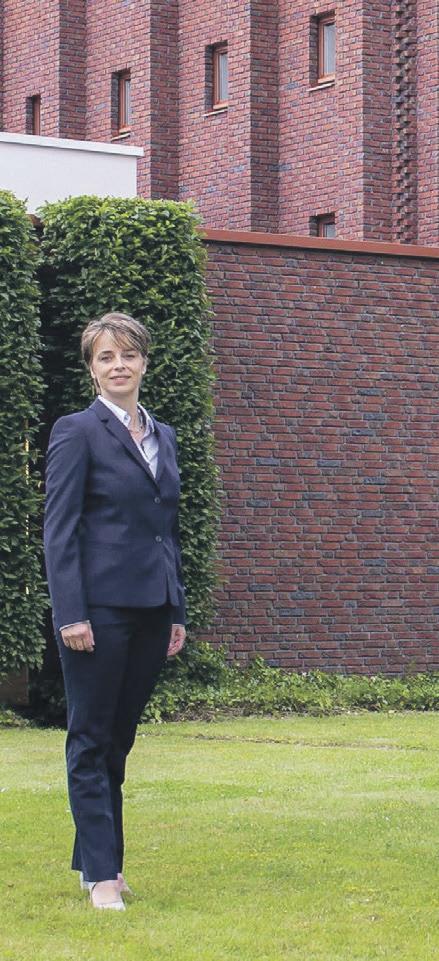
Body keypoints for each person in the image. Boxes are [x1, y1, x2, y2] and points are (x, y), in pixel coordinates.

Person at [43, 311, 186, 911]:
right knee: (90, 738)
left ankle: (97, 861)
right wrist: (70, 613)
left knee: (117, 740)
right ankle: (105, 876)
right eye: (106, 357)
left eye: (128, 354)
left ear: (144, 362)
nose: (118, 365)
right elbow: (60, 529)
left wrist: (177, 609)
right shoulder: (77, 431)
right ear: (92, 370)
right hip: (97, 611)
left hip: (153, 608)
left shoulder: (164, 435)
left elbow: (166, 530)